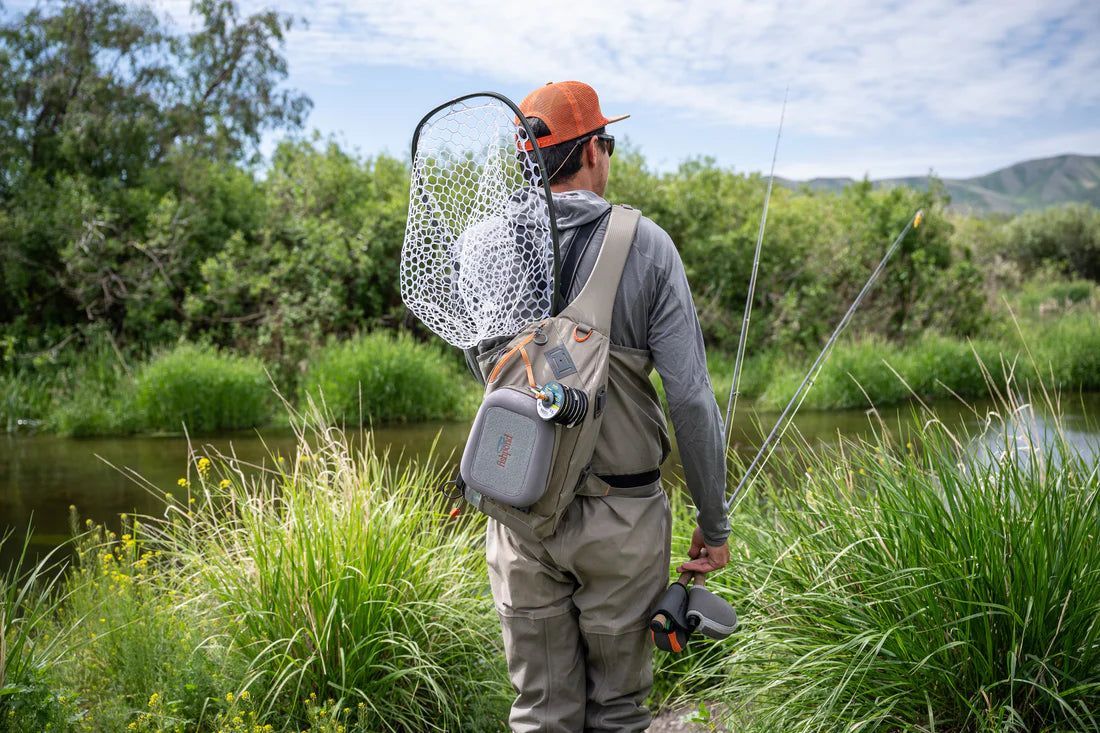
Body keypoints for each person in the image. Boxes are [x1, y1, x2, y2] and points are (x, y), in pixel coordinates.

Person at [476, 81, 731, 732]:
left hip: (520, 510)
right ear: (592, 150)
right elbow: (691, 401)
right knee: (618, 712)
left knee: (539, 711)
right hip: (624, 520)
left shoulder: (479, 247)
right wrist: (713, 521)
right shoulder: (646, 245)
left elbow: (494, 379)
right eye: (606, 142)